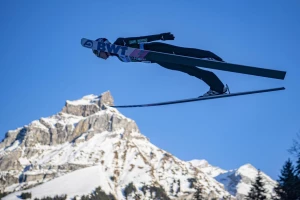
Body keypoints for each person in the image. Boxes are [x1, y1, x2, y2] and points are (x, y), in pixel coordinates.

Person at [92, 32, 229, 96]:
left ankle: (209, 56)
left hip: (158, 50)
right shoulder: (120, 57)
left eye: (97, 53)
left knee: (184, 53)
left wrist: (160, 37)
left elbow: (139, 39)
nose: (99, 57)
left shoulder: (119, 43)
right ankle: (218, 88)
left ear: (102, 47)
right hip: (158, 60)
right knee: (189, 70)